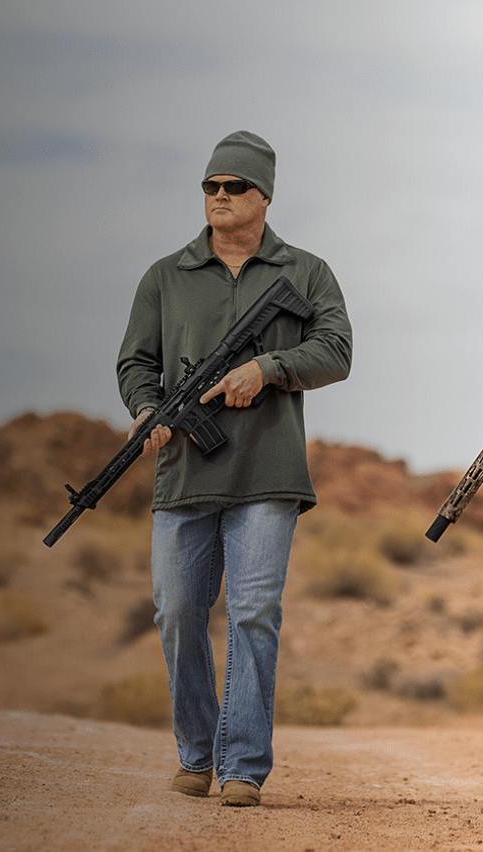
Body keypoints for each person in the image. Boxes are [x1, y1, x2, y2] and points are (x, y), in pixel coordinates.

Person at [116, 130, 353, 808]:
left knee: (253, 614)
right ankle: (195, 754)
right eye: (210, 188)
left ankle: (242, 767)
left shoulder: (306, 273)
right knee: (177, 611)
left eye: (233, 188)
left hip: (268, 476)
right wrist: (147, 406)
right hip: (184, 476)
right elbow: (136, 362)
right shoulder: (166, 275)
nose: (219, 198)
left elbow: (336, 350)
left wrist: (269, 369)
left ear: (264, 196)